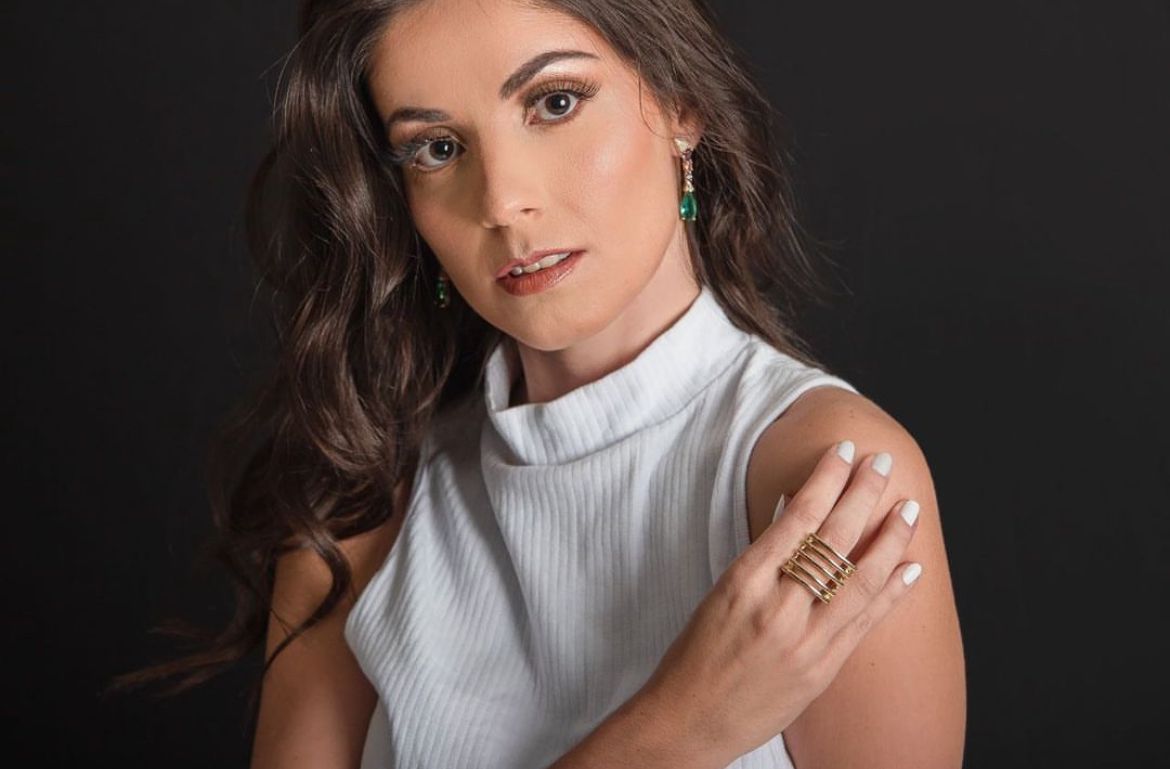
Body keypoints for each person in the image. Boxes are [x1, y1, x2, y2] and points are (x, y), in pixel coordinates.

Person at [112, 0, 966, 766]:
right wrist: (677, 730)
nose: (502, 200)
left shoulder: (826, 483)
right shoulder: (362, 509)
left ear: (682, 103)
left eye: (554, 102)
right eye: (438, 148)